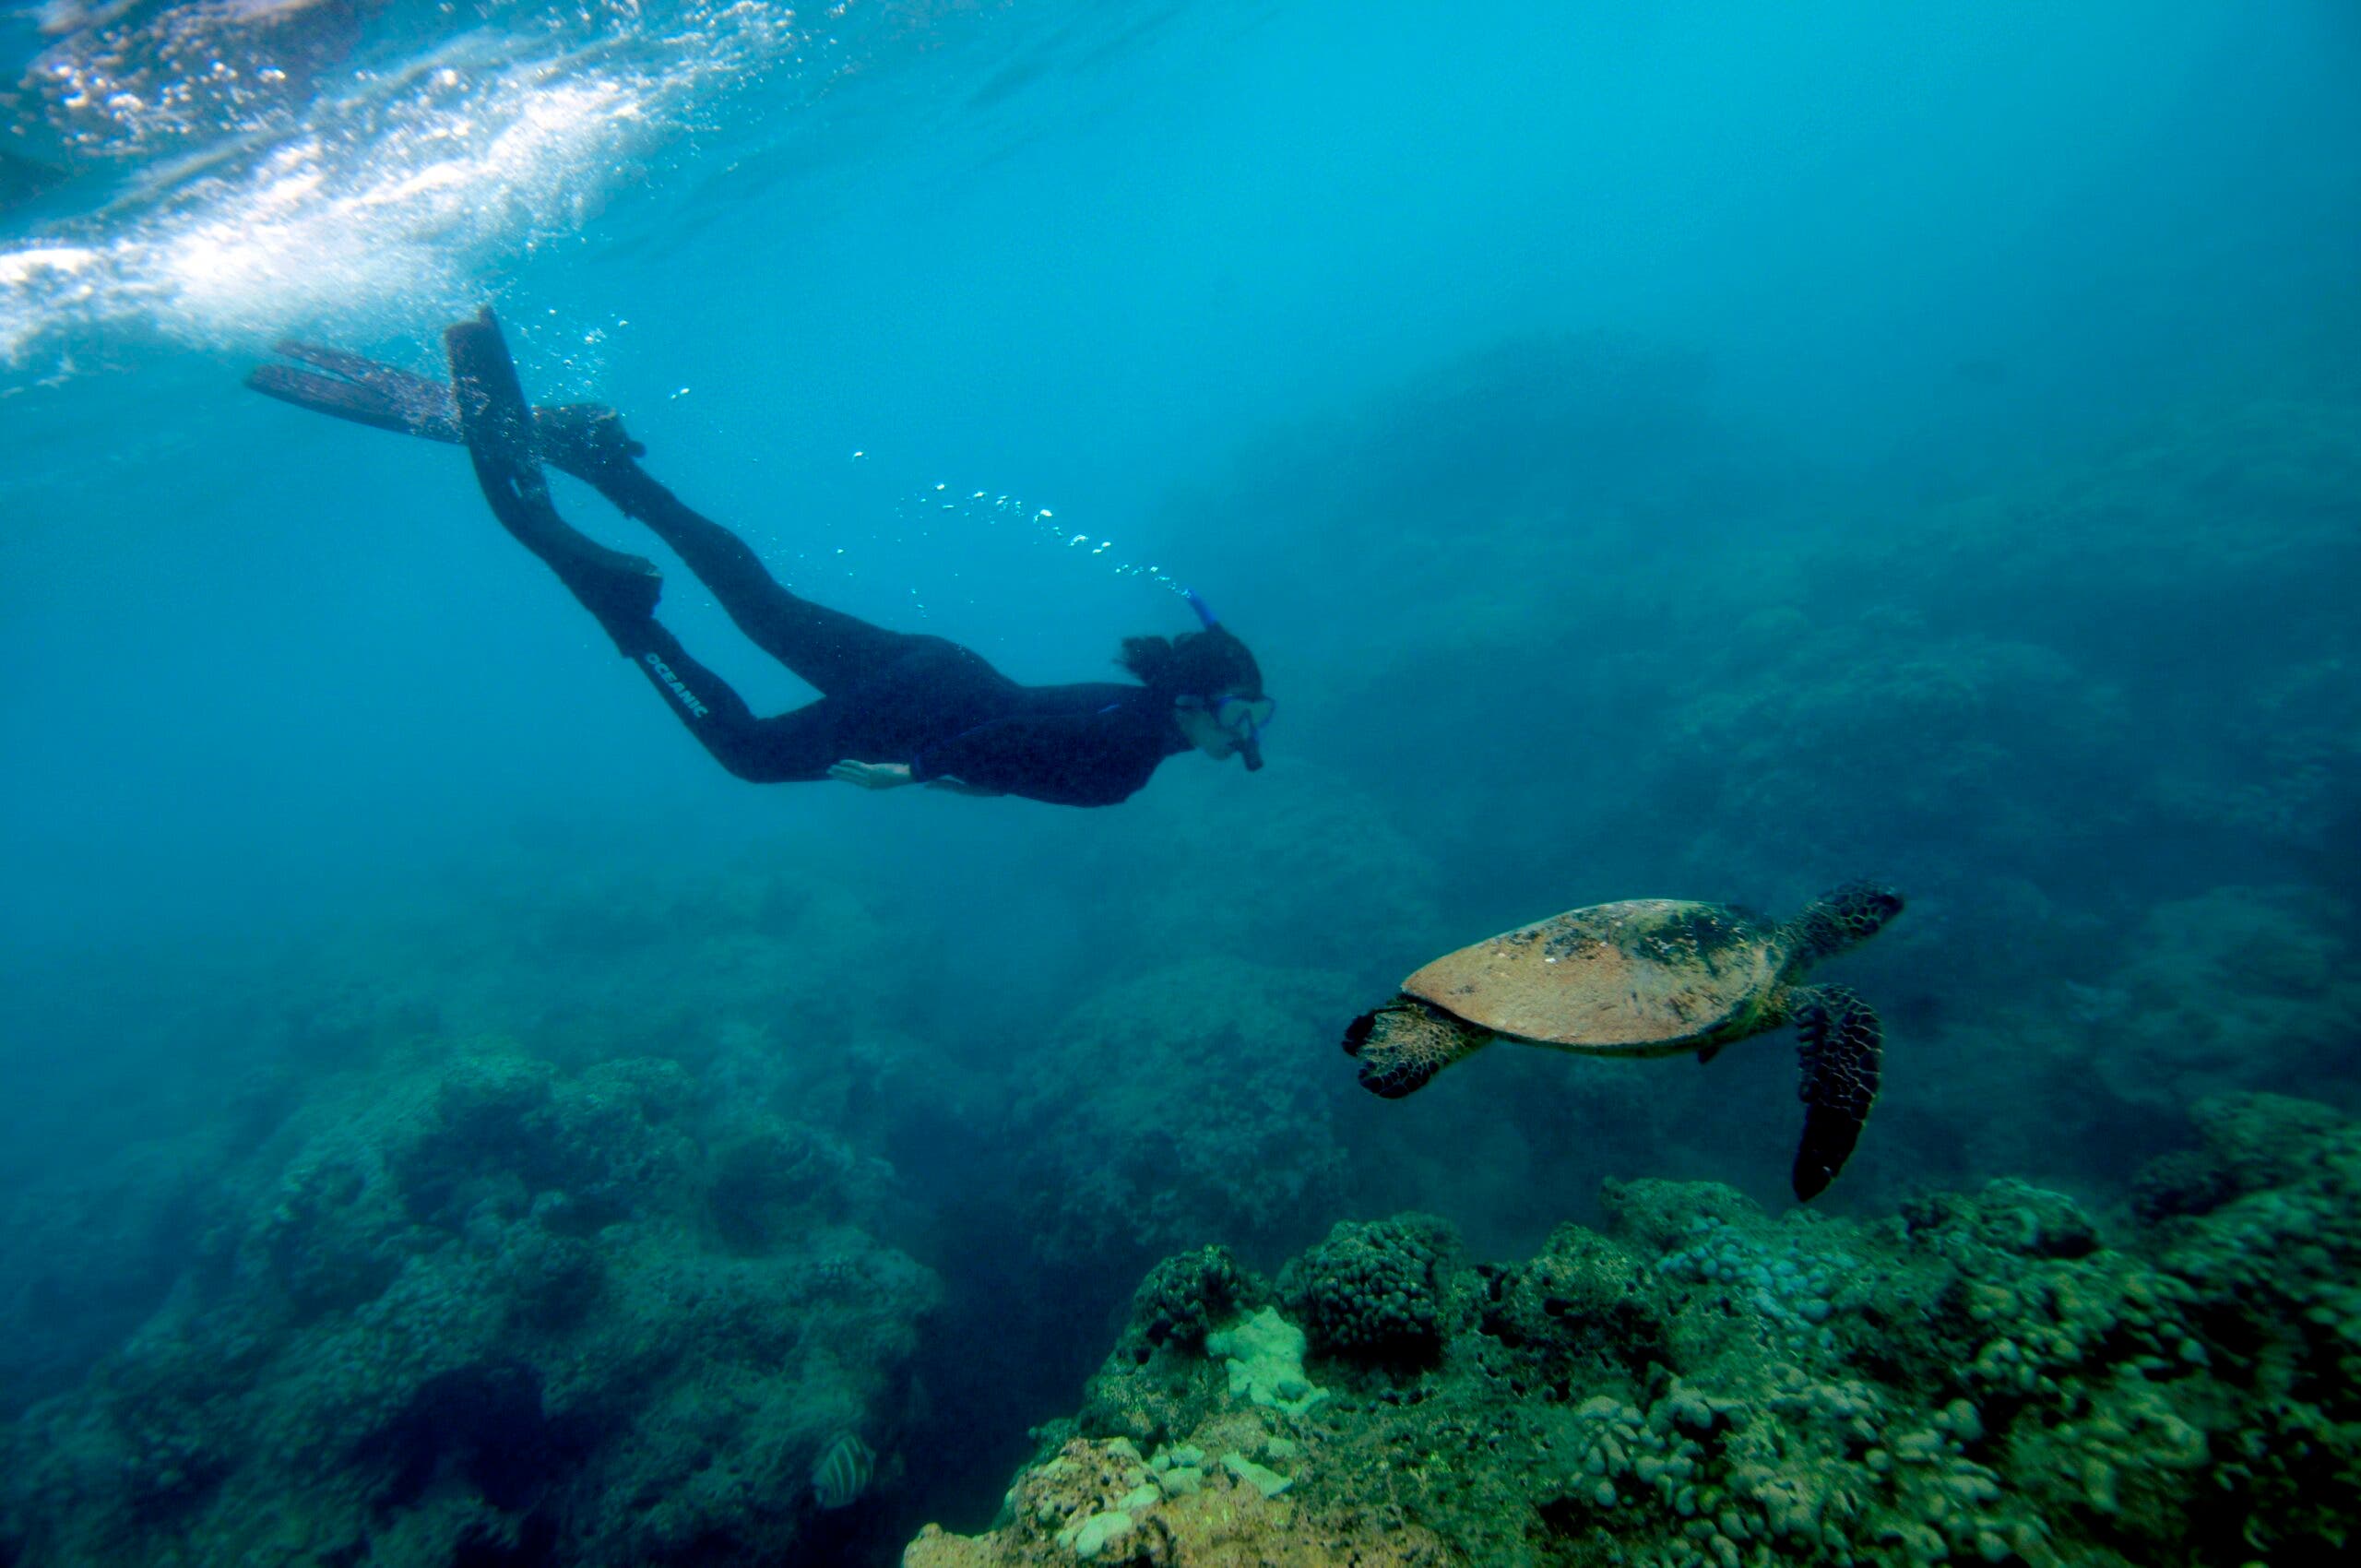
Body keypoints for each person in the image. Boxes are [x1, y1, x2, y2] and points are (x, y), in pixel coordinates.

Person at [246, 310, 1274, 807]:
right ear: (1196, 701)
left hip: (937, 669)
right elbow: (1007, 743)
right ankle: (621, 608)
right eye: (1247, 714)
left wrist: (940, 767)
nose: (1252, 734)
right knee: (746, 754)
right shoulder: (1132, 749)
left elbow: (1017, 749)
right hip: (926, 708)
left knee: (754, 600)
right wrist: (909, 770)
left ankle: (606, 464)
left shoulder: (1139, 728)